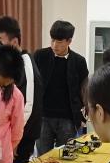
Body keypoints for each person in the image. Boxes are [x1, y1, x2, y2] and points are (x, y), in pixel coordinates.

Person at [0, 16, 44, 163]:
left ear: (14, 42)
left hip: (21, 140)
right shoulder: (10, 63)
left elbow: (28, 106)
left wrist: (14, 142)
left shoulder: (25, 64)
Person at [34, 20, 89, 154]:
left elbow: (84, 88)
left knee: (65, 156)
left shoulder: (79, 61)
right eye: (52, 40)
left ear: (69, 41)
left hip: (68, 118)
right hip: (43, 116)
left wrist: (85, 112)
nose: (54, 45)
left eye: (59, 42)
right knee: (42, 157)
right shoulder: (40, 56)